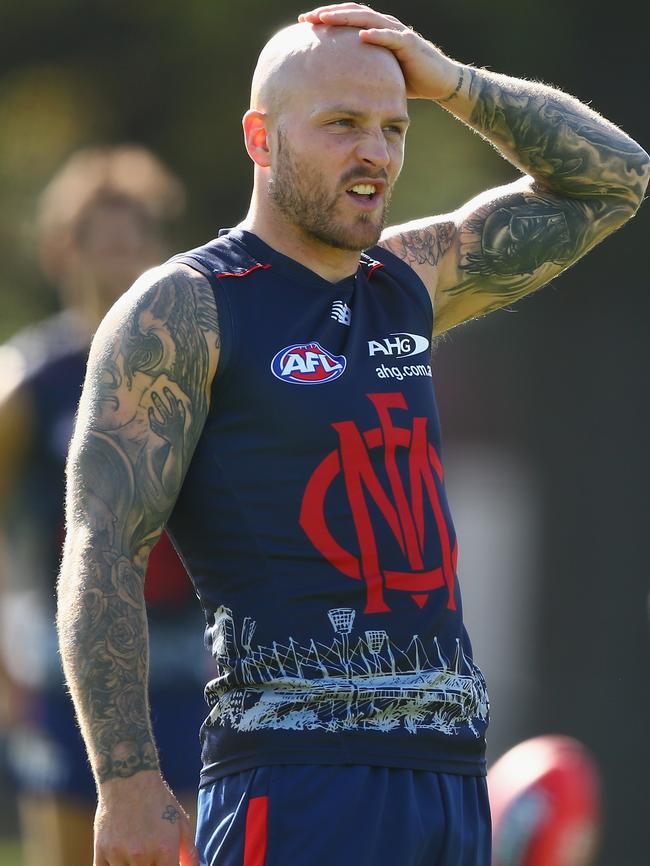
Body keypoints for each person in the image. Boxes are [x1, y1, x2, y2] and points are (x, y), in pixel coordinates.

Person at [56, 5, 649, 866]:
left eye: (392, 128)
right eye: (342, 125)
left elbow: (616, 178)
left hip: (447, 779)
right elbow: (100, 545)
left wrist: (453, 82)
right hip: (296, 781)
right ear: (261, 139)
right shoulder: (186, 307)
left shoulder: (409, 278)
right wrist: (127, 779)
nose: (375, 152)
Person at [0, 146, 208, 866]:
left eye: (136, 243)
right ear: (65, 250)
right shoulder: (29, 385)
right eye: (104, 245)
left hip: (185, 670)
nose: (122, 263)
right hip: (66, 675)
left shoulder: (195, 374)